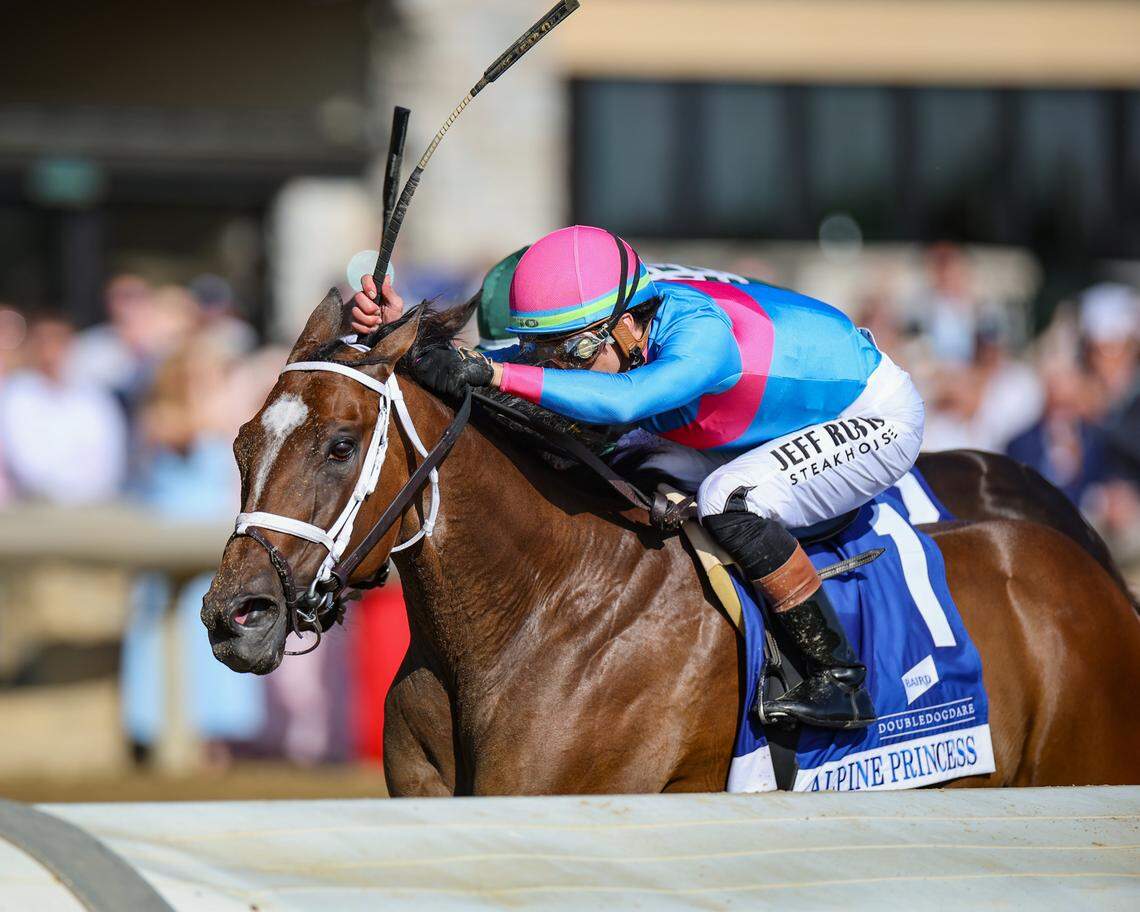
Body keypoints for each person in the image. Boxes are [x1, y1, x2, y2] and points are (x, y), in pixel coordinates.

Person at [352, 226, 927, 730]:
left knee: (731, 498)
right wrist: (405, 332)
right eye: (547, 351)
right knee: (610, 465)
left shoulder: (703, 340)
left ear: (628, 325)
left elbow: (626, 400)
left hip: (870, 413)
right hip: (743, 421)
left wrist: (494, 372)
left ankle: (837, 675)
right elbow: (505, 361)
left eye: (573, 351)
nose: (557, 365)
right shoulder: (617, 316)